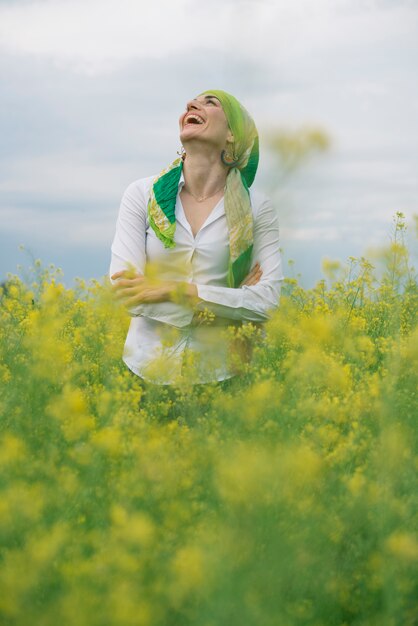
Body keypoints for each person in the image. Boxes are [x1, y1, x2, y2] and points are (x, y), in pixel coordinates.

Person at [109, 89, 284, 391]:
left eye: (210, 103)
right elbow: (125, 291)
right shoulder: (141, 194)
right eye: (191, 102)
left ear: (232, 134)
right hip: (144, 373)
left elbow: (266, 303)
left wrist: (175, 290)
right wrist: (225, 310)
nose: (192, 104)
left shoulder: (258, 208)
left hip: (223, 375)